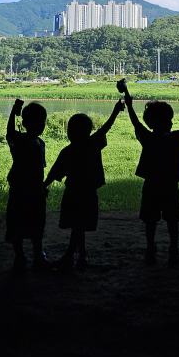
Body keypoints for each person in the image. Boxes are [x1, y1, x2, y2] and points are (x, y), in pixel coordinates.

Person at [122, 87, 179, 265]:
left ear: (150, 123)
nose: (172, 123)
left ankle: (151, 249)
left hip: (150, 186)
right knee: (172, 220)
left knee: (150, 220)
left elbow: (135, 122)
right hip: (170, 187)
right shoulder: (175, 138)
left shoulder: (148, 138)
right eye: (169, 119)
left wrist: (129, 104)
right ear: (167, 121)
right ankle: (174, 249)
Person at [44, 99, 125, 270]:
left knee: (76, 226)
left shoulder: (68, 151)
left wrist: (43, 186)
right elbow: (106, 127)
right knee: (79, 226)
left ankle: (70, 256)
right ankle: (81, 254)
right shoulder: (93, 143)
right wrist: (116, 111)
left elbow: (54, 172)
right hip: (88, 192)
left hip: (73, 193)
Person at [4, 99, 50, 275]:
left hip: (30, 190)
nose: (40, 125)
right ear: (24, 123)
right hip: (23, 190)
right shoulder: (22, 140)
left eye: (42, 121)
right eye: (37, 121)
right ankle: (25, 256)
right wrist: (14, 111)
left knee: (34, 225)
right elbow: (9, 132)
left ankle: (32, 255)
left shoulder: (38, 143)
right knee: (23, 224)